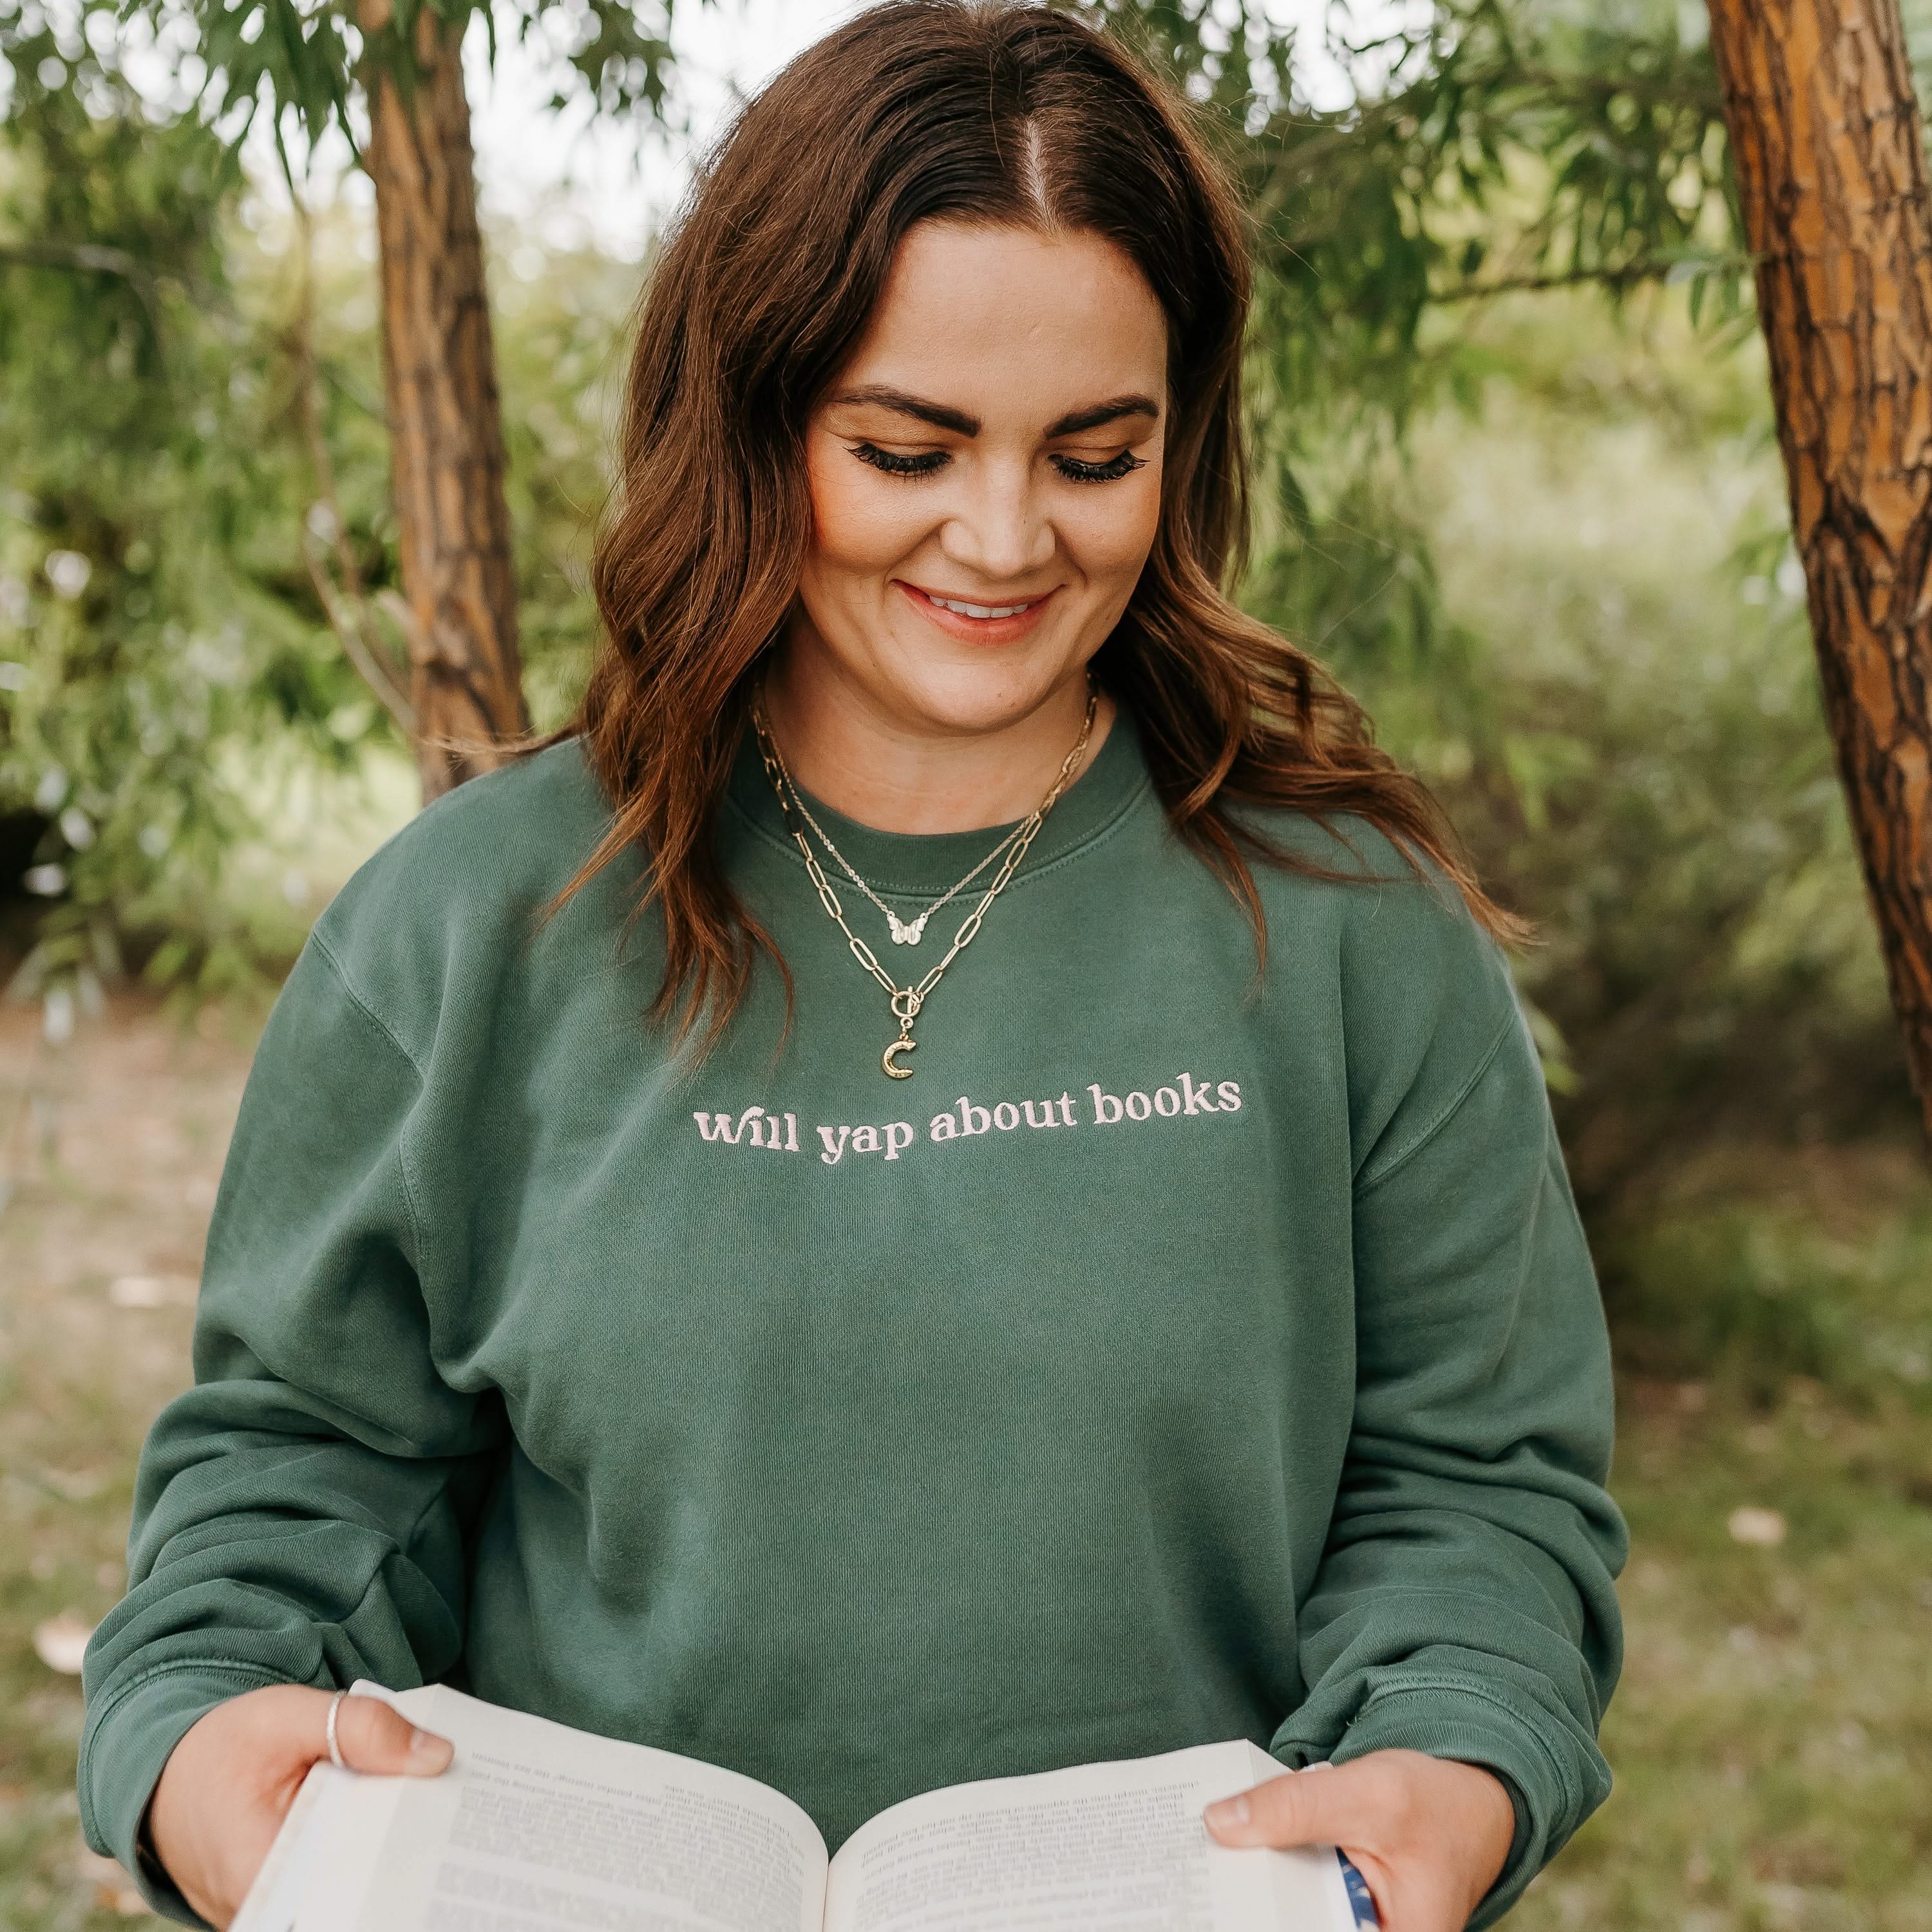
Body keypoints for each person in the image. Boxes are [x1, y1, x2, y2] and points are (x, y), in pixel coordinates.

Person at [79, 4, 1627, 1927]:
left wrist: (1457, 1758)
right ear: (752, 421)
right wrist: (204, 1747)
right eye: (908, 449)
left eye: (1097, 455)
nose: (1007, 537)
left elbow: (1477, 1495)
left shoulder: (1356, 934)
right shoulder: (465, 930)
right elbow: (297, 1485)